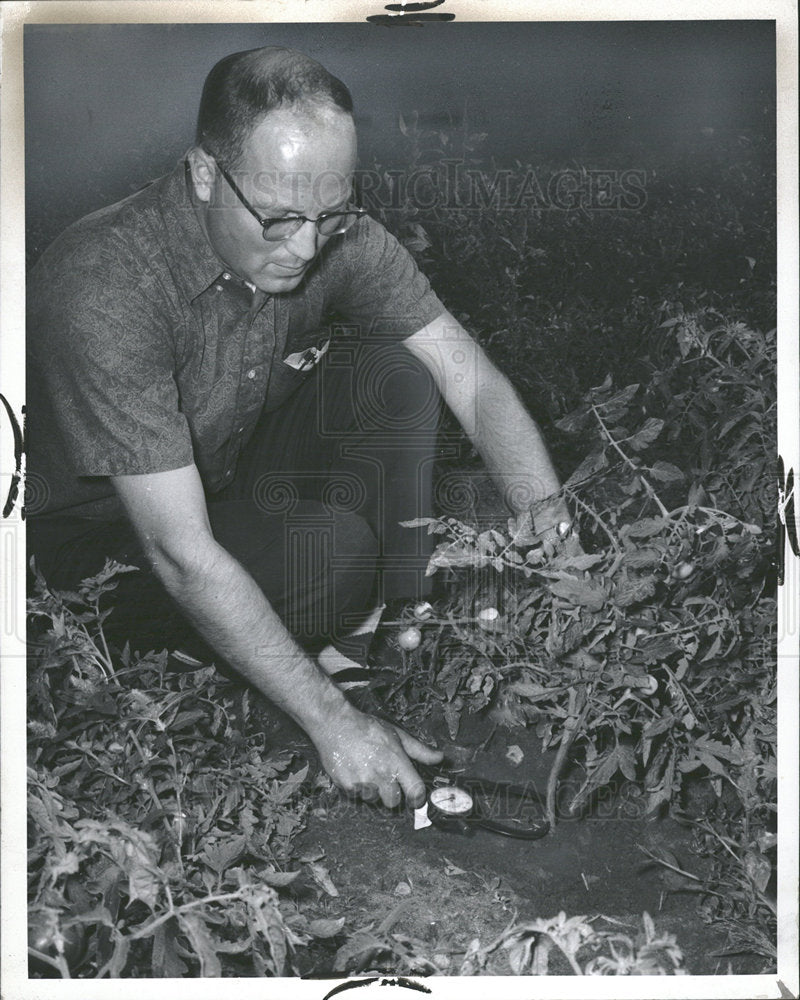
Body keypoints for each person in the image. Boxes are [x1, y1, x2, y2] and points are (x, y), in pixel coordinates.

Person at [26, 46, 573, 811]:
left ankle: (369, 631)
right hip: (98, 549)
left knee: (402, 375)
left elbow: (470, 379)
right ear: (205, 174)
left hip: (215, 472)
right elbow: (178, 554)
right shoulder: (108, 285)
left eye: (332, 212)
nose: (308, 247)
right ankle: (239, 667)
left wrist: (554, 536)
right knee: (335, 555)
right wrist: (333, 723)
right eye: (279, 219)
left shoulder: (326, 232)